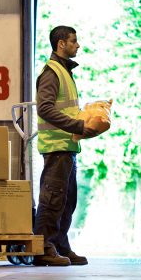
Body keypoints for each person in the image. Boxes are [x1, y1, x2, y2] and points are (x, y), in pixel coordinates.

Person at [33, 26, 96, 267]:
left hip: (67, 146)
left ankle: (59, 244)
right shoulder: (52, 72)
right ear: (61, 44)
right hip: (56, 147)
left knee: (67, 200)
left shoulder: (65, 72)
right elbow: (46, 109)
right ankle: (43, 248)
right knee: (52, 199)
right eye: (74, 41)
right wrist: (78, 126)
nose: (77, 45)